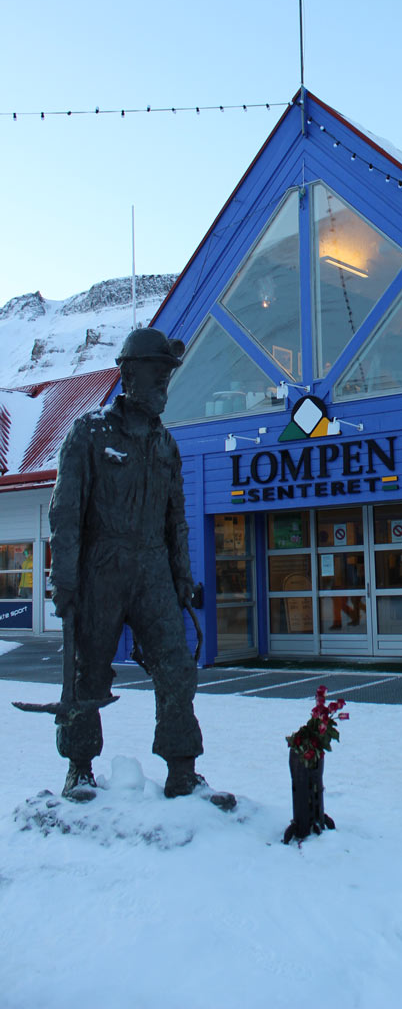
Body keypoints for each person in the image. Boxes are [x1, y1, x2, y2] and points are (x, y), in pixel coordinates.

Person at [49, 327, 225, 804]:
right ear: (129, 375)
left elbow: (177, 522)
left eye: (168, 378)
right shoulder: (89, 432)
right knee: (88, 671)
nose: (164, 387)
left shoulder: (166, 445)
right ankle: (79, 768)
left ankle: (182, 769)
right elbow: (65, 512)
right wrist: (64, 578)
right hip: (100, 567)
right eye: (157, 376)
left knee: (175, 667)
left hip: (151, 570)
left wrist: (182, 579)